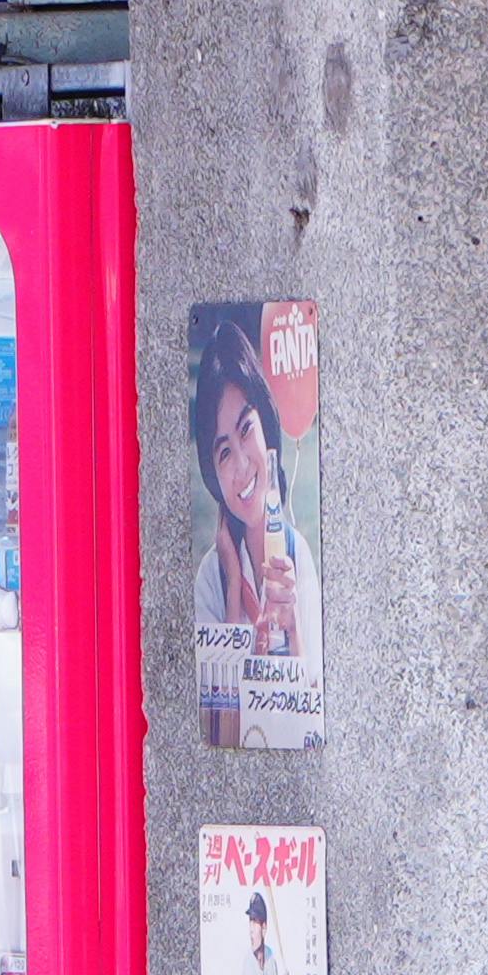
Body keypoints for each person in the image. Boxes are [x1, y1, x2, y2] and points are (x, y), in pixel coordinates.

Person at [189, 308, 320, 745]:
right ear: (212, 472)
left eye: (246, 430)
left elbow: (313, 721)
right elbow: (216, 731)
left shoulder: (299, 556)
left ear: (266, 424)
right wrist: (232, 594)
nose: (242, 466)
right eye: (224, 453)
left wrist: (293, 629)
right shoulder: (210, 576)